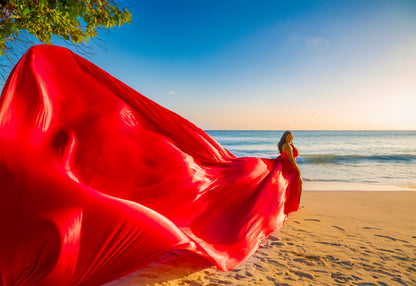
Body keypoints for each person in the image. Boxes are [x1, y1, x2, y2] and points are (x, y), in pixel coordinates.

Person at [277, 131, 303, 202]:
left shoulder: (289, 144)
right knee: (299, 182)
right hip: (289, 167)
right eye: (288, 137)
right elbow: (291, 159)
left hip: (289, 166)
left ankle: (292, 201)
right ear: (284, 137)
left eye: (291, 136)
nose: (290, 138)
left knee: (293, 183)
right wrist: (297, 169)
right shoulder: (287, 146)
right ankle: (296, 202)